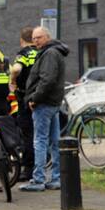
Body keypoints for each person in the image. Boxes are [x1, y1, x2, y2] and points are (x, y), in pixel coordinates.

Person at [20, 27, 69, 192]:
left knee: (39, 141)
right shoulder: (54, 52)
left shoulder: (49, 54)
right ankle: (56, 178)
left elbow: (47, 80)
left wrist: (34, 98)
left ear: (48, 37)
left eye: (39, 37)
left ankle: (38, 180)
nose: (35, 41)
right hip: (53, 103)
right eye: (34, 38)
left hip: (44, 103)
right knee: (54, 142)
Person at [10, 27, 38, 181]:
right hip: (40, 97)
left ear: (22, 40)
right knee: (40, 135)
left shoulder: (24, 53)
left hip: (25, 98)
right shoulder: (41, 52)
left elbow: (16, 68)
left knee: (27, 135)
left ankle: (28, 170)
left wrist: (13, 81)